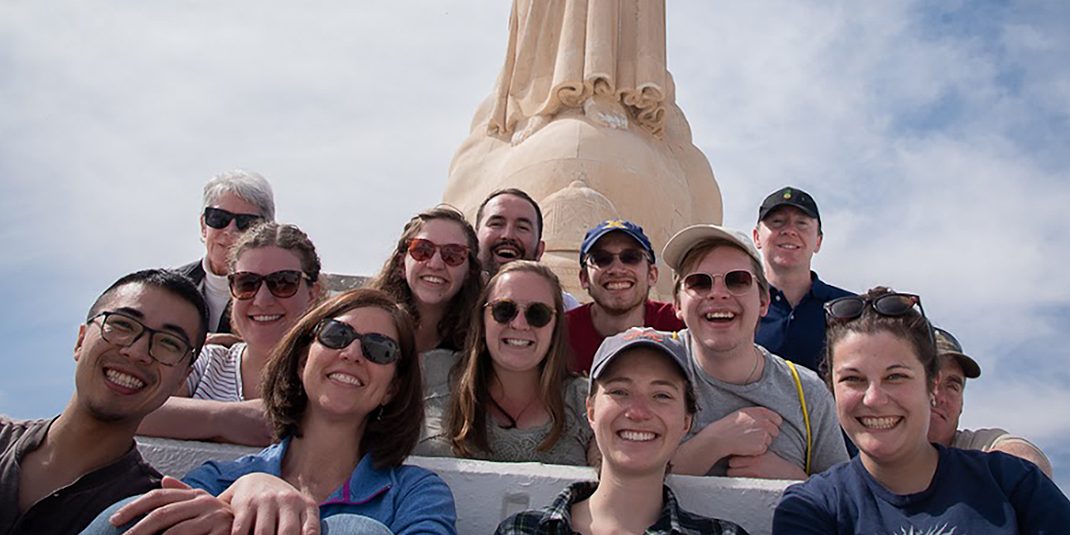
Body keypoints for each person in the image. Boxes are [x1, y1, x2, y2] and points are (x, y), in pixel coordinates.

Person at [87, 289, 458, 535]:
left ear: (392, 388)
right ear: (302, 361)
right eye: (336, 336)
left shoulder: (415, 493)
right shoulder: (220, 480)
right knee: (130, 516)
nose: (353, 354)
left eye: (380, 349)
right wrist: (242, 492)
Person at [773, 288, 1070, 533]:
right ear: (831, 390)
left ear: (931, 384)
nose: (874, 398)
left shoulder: (1013, 484)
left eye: (895, 376)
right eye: (853, 379)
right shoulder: (813, 508)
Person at [0, 269, 208, 534]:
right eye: (122, 324)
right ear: (80, 340)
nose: (136, 351)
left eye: (169, 343)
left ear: (183, 378)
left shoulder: (150, 517)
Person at [495, 327, 749, 534]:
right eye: (619, 391)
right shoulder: (521, 531)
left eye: (661, 395)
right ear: (591, 411)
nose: (638, 412)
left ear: (686, 420)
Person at [662, 224, 847, 478]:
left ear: (763, 302)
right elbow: (614, 478)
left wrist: (795, 482)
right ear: (677, 305)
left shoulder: (808, 393)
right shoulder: (650, 365)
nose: (718, 294)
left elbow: (842, 503)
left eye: (737, 280)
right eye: (699, 283)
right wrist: (714, 443)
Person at [139, 222, 321, 446]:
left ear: (313, 293)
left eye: (283, 283)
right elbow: (126, 407)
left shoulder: (330, 373)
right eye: (247, 283)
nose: (262, 300)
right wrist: (224, 418)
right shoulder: (205, 363)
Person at [416, 260, 593, 465]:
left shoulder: (584, 401)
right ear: (482, 321)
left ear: (555, 329)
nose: (519, 324)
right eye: (503, 310)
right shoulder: (431, 373)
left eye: (538, 314)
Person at [928, 326, 1053, 476]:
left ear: (961, 404)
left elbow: (1028, 462)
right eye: (928, 380)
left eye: (952, 386)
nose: (939, 396)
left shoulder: (975, 445)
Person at [752, 186, 852, 373]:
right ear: (757, 237)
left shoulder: (851, 311)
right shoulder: (737, 307)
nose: (789, 230)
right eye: (777, 222)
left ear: (818, 241)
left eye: (801, 223)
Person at [566, 219, 683, 373]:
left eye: (631, 257)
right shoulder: (561, 333)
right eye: (601, 259)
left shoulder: (679, 324)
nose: (617, 269)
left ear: (652, 275)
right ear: (584, 278)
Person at [369, 205, 483, 353]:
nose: (435, 264)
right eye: (422, 250)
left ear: (470, 272)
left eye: (453, 254)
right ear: (401, 264)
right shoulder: (366, 330)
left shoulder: (480, 347)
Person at [178, 169, 276, 338]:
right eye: (219, 218)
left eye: (245, 222)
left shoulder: (282, 291)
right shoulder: (170, 287)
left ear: (265, 232)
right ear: (203, 225)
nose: (230, 231)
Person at [474, 188, 581, 310]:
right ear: (474, 241)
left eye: (522, 227)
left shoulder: (563, 309)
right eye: (497, 224)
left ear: (539, 250)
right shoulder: (451, 298)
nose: (508, 235)